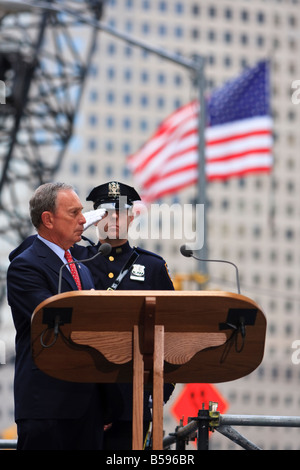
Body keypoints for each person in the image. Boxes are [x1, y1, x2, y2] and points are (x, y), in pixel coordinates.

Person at [72, 181, 175, 450]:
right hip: (81, 400)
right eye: (106, 212)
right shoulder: (73, 259)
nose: (115, 218)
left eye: (121, 212)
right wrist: (76, 227)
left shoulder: (151, 266)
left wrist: (156, 394)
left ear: (132, 217)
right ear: (94, 219)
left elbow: (172, 332)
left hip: (133, 402)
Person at [6, 182, 106, 450]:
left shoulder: (80, 267)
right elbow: (55, 320)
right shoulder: (25, 266)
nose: (83, 220)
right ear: (48, 220)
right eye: (74, 213)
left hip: (89, 408)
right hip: (48, 405)